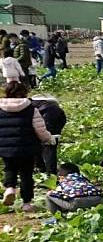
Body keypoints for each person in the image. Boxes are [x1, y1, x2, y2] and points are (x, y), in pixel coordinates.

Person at [0, 82, 53, 211]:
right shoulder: (31, 108)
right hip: (27, 147)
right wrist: (48, 138)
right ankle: (27, 203)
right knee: (26, 174)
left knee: (9, 168)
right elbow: (40, 129)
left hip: (5, 147)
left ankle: (10, 188)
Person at [31, 95, 66, 175]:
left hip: (45, 114)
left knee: (43, 144)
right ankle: (50, 172)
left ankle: (45, 170)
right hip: (57, 113)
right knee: (50, 144)